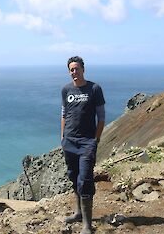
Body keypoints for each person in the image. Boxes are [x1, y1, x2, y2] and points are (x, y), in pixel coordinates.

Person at [61, 56, 105, 234]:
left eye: (77, 68)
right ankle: (78, 212)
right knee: (74, 176)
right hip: (69, 141)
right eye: (71, 69)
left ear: (83, 69)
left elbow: (101, 117)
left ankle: (87, 225)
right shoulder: (66, 89)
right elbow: (64, 113)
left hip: (87, 142)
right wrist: (62, 137)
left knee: (85, 179)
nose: (74, 72)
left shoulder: (94, 88)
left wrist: (96, 139)